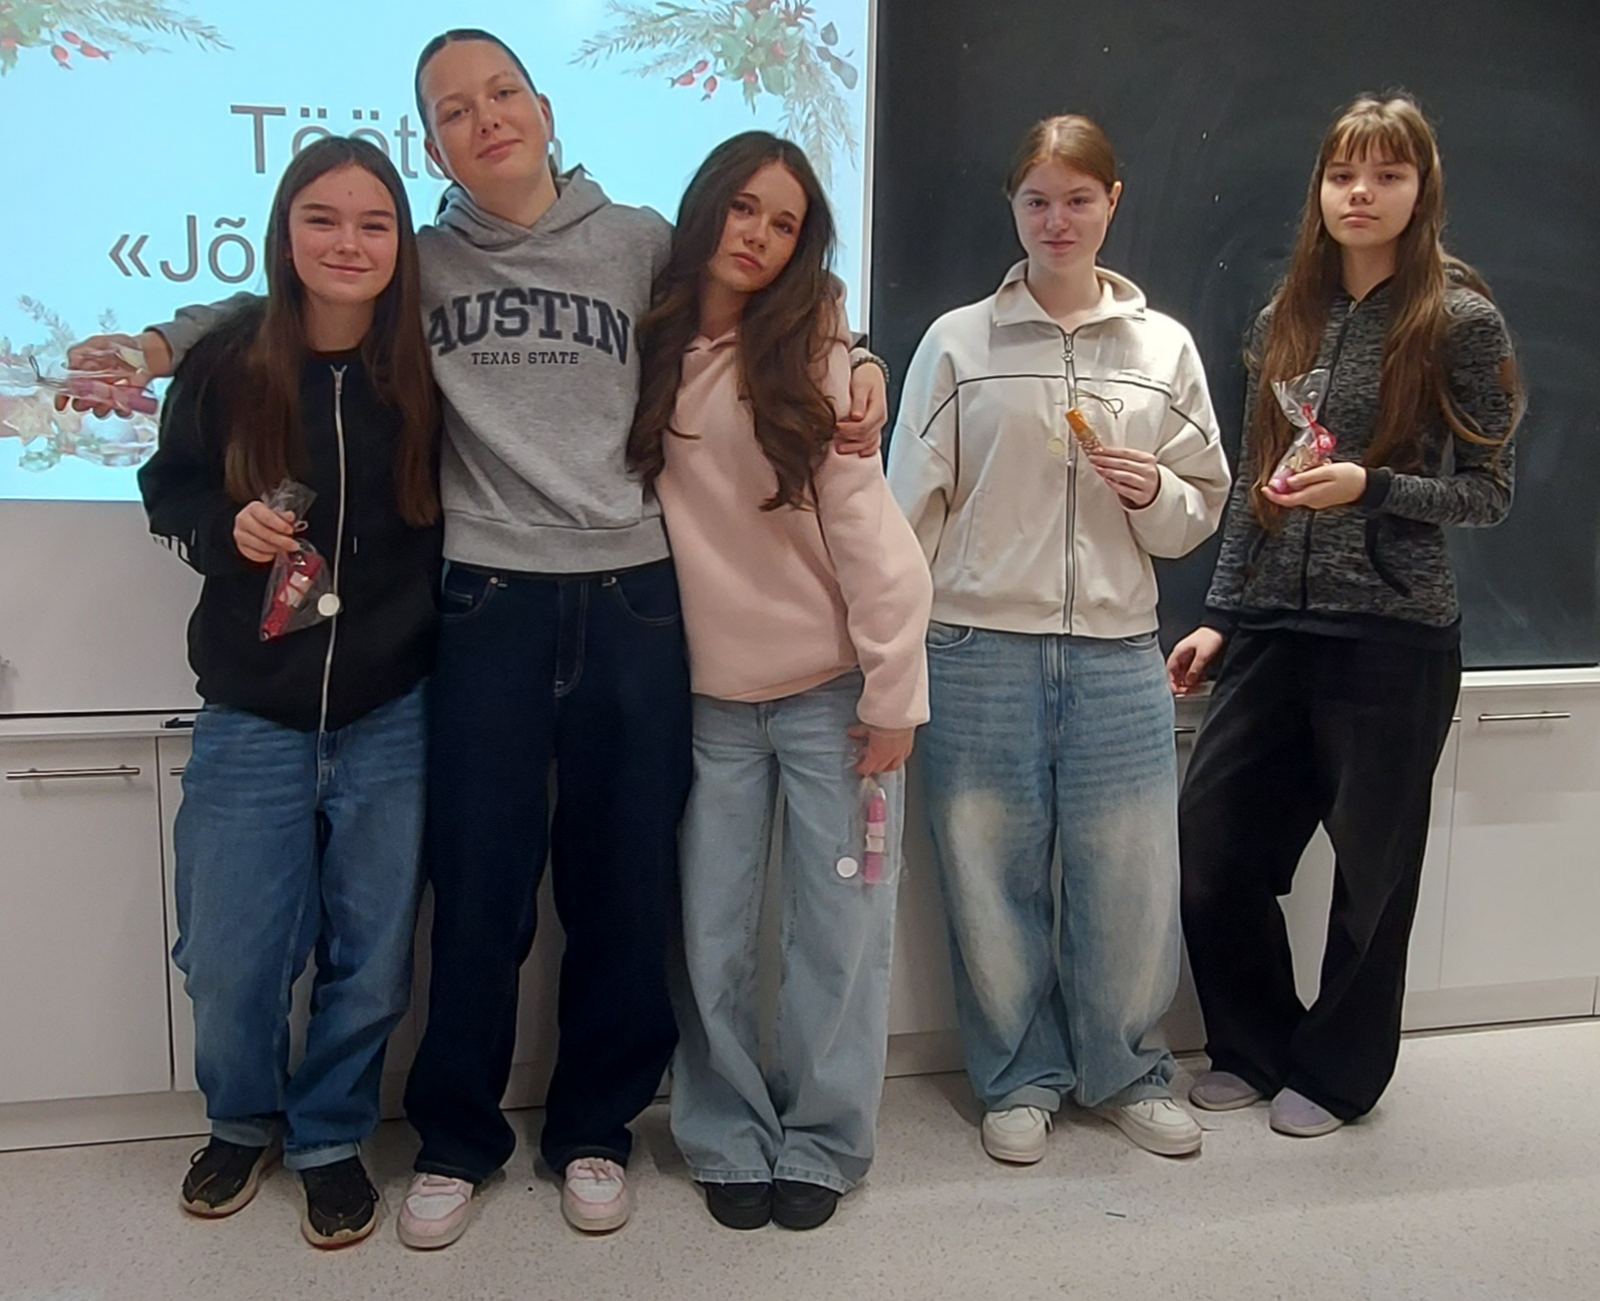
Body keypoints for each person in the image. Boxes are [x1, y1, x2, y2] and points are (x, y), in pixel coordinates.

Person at [70, 28, 888, 1244]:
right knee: (479, 891)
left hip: (635, 600)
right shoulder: (424, 261)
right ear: (434, 144)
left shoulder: (640, 240)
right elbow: (282, 296)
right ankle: (457, 1139)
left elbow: (762, 294)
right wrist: (156, 342)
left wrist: (858, 353)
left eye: (502, 93)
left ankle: (596, 1128)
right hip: (485, 605)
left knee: (621, 886)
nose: (484, 117)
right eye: (453, 109)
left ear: (545, 108)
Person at [1170, 92, 1523, 1138]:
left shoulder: (1459, 320)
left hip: (1393, 637)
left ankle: (1336, 1074)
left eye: (1386, 175)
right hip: (1275, 628)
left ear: (1421, 190)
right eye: (1342, 175)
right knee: (1212, 845)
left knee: (1373, 872)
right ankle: (1253, 1043)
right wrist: (1223, 613)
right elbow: (1254, 485)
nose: (1360, 193)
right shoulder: (1285, 313)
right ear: (1319, 190)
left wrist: (1371, 487)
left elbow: (1489, 493)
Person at [887, 114, 1230, 1164]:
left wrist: (1155, 489)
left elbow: (1200, 508)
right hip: (976, 646)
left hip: (1119, 650)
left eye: (1078, 199)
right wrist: (892, 649)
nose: (1057, 220)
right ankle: (1017, 1077)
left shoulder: (1163, 347)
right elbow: (907, 509)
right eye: (1036, 200)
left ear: (1112, 203)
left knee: (1130, 878)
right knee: (989, 877)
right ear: (1013, 208)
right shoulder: (958, 342)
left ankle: (1127, 1069)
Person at [137, 135, 440, 1248]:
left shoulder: (425, 367)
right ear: (284, 231)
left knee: (372, 953)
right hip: (251, 712)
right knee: (230, 952)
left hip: (394, 711)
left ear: (401, 242)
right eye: (323, 218)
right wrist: (228, 532)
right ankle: (241, 1119)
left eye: (374, 222)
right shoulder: (228, 361)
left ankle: (328, 1135)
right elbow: (167, 493)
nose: (348, 242)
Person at [631, 132, 931, 1232]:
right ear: (706, 205)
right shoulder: (650, 342)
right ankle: (722, 1132)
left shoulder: (813, 353)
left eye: (785, 222)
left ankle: (824, 1139)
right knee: (708, 933)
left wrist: (893, 694)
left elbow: (872, 538)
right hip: (707, 703)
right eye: (743, 208)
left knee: (839, 931)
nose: (757, 235)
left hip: (833, 696)